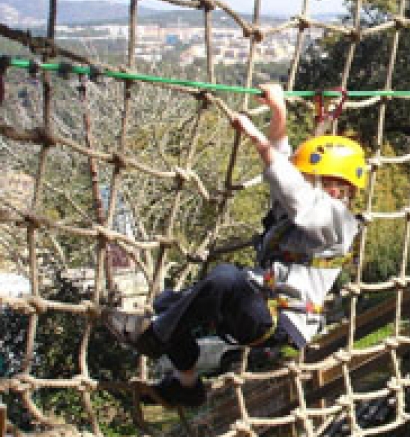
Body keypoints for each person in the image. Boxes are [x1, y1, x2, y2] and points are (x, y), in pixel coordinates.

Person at [105, 83, 366, 407]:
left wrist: (256, 138)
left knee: (225, 278)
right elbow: (284, 170)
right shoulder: (301, 209)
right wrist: (278, 113)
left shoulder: (337, 221)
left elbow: (294, 189)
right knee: (170, 303)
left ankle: (155, 337)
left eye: (312, 178)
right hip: (257, 307)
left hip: (281, 322)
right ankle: (185, 383)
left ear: (338, 189)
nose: (303, 181)